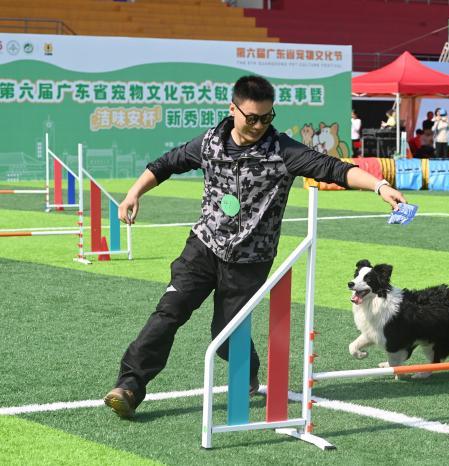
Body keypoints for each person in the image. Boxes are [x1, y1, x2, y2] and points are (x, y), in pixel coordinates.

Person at [103, 75, 407, 419]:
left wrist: (380, 186)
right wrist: (134, 193)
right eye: (252, 118)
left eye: (266, 117)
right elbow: (166, 164)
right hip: (203, 247)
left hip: (250, 260)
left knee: (225, 336)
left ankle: (247, 368)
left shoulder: (283, 151)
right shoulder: (209, 143)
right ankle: (129, 386)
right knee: (169, 312)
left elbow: (333, 168)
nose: (259, 125)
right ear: (233, 110)